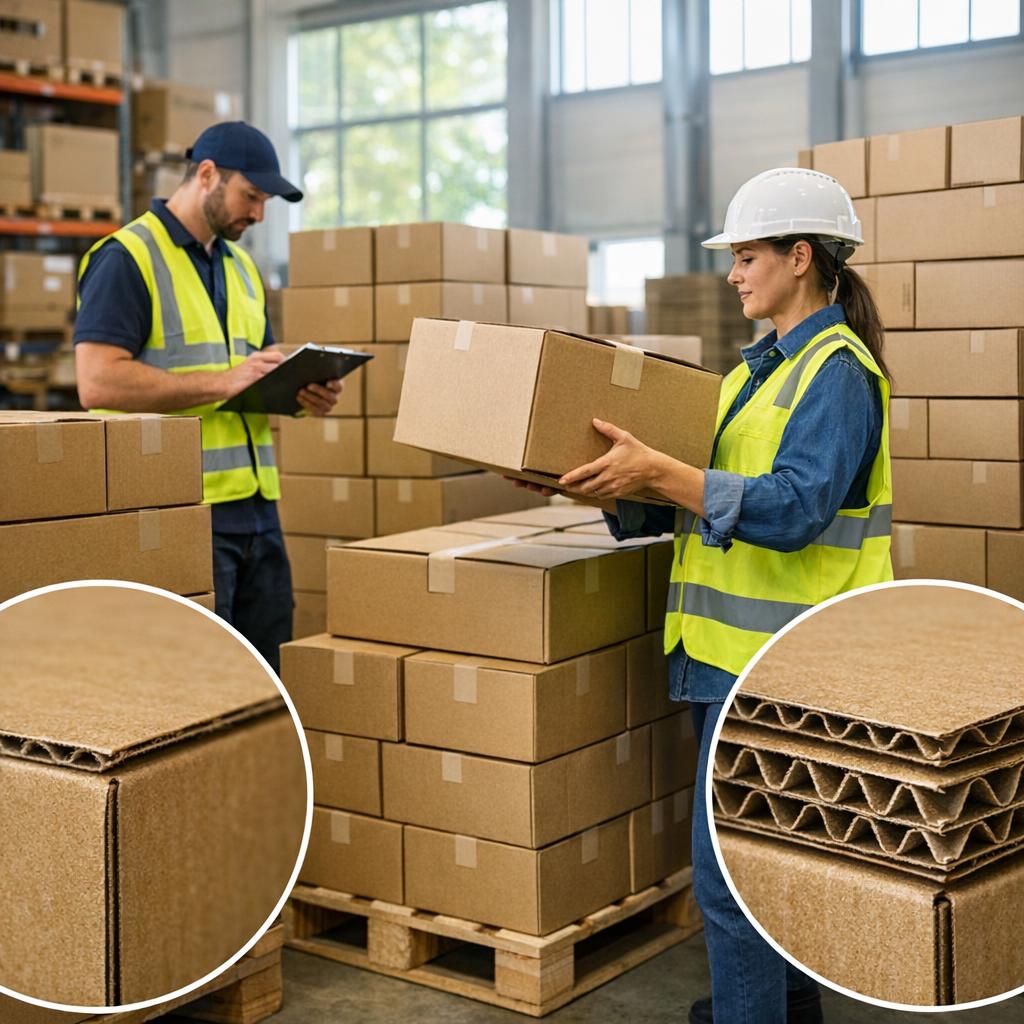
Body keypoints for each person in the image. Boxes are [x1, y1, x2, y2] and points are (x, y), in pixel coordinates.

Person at [518, 167, 892, 1023]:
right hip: (724, 661)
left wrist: (665, 471)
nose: (733, 273)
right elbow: (701, 496)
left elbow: (797, 507)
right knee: (769, 876)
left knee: (729, 888)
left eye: (748, 255)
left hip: (778, 671)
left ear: (801, 258)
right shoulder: (753, 374)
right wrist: (596, 486)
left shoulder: (836, 373)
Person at [74, 121, 342, 674]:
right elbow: (98, 382)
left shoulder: (241, 267)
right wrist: (225, 380)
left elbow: (249, 376)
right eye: (252, 196)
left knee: (266, 679)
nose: (260, 214)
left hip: (257, 510)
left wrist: (297, 388)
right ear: (206, 175)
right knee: (198, 682)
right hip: (180, 510)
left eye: (266, 201)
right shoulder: (127, 257)